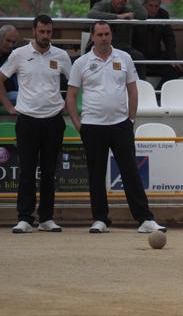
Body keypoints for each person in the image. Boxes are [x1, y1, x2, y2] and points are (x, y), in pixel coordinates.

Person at [65, 21, 166, 234]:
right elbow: (71, 96)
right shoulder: (81, 63)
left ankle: (145, 219)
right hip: (92, 126)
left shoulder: (124, 58)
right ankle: (100, 219)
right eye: (100, 34)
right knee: (96, 174)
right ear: (92, 37)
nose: (104, 38)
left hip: (121, 125)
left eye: (107, 34)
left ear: (112, 35)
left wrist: (131, 119)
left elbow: (133, 90)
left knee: (131, 172)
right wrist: (78, 124)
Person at [0, 15, 71, 234]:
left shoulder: (61, 55)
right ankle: (24, 218)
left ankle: (47, 218)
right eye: (42, 31)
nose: (45, 36)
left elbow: (76, 83)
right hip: (27, 120)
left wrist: (67, 104)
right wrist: (9, 107)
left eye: (49, 32)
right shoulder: (18, 54)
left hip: (53, 120)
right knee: (27, 171)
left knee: (49, 172)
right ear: (34, 31)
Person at [87, 0, 147, 78]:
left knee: (139, 57)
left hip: (122, 48)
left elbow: (143, 15)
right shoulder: (102, 5)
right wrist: (118, 17)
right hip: (99, 47)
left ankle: (141, 89)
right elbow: (91, 14)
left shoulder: (128, 10)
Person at [132, 0, 181, 90]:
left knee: (175, 69)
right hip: (138, 57)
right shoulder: (136, 14)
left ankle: (156, 95)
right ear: (144, 4)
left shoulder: (163, 14)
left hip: (155, 55)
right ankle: (143, 95)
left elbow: (169, 38)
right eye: (150, 6)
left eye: (156, 6)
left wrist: (173, 59)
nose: (153, 9)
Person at [0, 25, 20, 106]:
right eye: (8, 41)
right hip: (5, 95)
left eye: (13, 42)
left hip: (16, 91)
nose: (10, 45)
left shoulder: (14, 53)